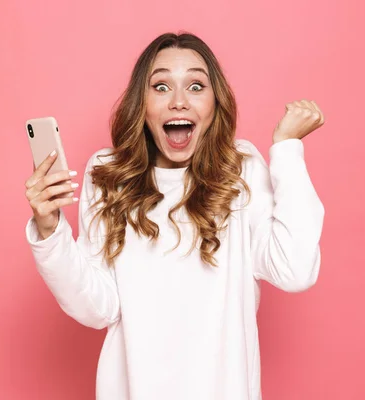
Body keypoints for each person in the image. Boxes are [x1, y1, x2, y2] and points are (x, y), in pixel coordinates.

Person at [24, 32, 325, 400]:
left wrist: (287, 150)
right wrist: (49, 227)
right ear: (142, 103)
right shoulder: (108, 174)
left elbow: (294, 269)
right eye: (161, 87)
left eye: (196, 86)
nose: (179, 102)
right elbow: (96, 306)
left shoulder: (240, 170)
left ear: (216, 103)